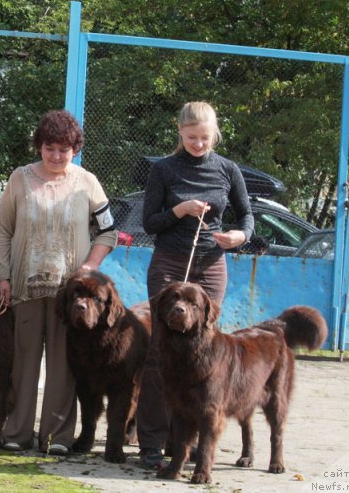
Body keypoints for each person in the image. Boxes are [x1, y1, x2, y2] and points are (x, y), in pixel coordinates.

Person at [0, 109, 118, 455]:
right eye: (50, 148)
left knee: (64, 367)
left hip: (71, 296)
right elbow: (2, 231)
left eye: (64, 149)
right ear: (39, 146)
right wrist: (1, 275)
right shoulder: (19, 178)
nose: (56, 155)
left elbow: (108, 231)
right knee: (23, 362)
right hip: (24, 287)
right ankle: (17, 432)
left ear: (75, 149)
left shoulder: (87, 182)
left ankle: (57, 437)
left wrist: (90, 266)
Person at [136, 101, 254, 468]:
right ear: (180, 133)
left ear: (214, 134)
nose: (198, 144)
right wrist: (179, 211)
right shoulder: (164, 169)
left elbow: (247, 214)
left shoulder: (227, 169)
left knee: (203, 357)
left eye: (204, 137)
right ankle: (152, 444)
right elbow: (149, 223)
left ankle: (185, 446)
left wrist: (240, 235)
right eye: (191, 137)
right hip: (171, 264)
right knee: (162, 354)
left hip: (212, 264)